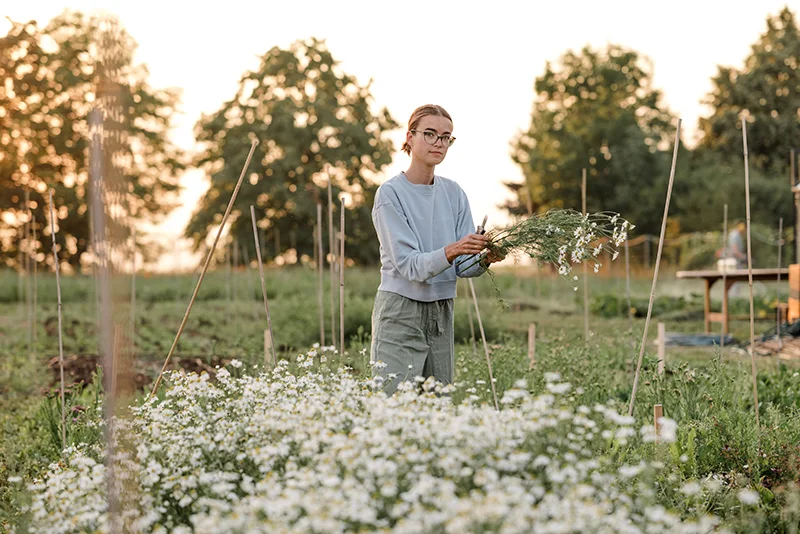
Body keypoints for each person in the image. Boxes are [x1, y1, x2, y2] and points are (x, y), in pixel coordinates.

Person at [369, 104, 503, 395]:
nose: (438, 143)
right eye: (429, 134)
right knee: (394, 404)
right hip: (400, 309)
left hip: (442, 311)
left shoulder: (454, 193)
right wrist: (455, 248)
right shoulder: (390, 194)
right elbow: (410, 266)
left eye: (446, 137)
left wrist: (486, 258)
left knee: (437, 406)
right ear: (410, 137)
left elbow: (463, 267)